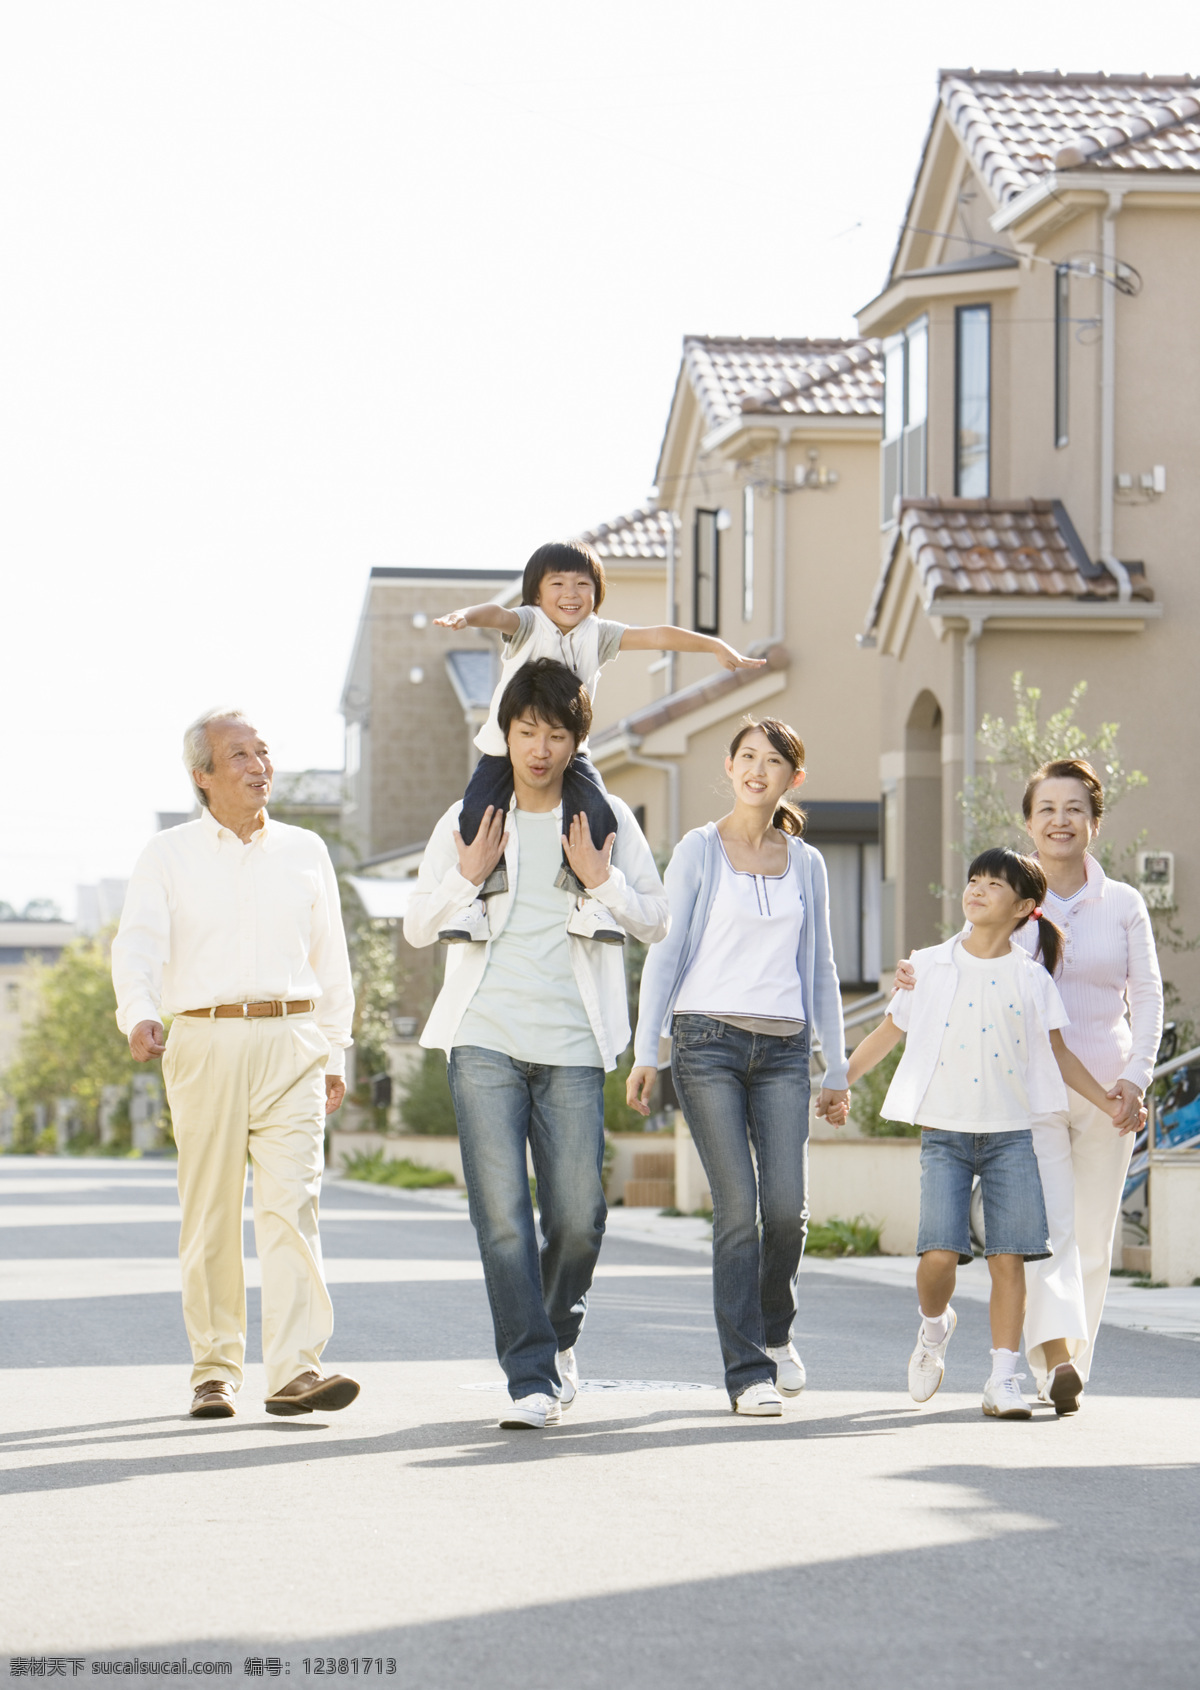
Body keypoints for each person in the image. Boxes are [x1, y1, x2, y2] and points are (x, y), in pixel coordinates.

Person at [403, 659, 669, 1430]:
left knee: (580, 1214)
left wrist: (601, 879)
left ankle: (557, 1339)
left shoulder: (604, 815)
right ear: (505, 734)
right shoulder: (468, 816)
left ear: (576, 738)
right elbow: (420, 924)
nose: (541, 748)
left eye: (557, 733)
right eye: (527, 732)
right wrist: (467, 876)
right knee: (505, 1218)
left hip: (575, 1042)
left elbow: (657, 919)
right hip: (483, 1036)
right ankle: (529, 1377)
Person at [112, 709, 359, 1421]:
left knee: (293, 1207)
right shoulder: (169, 855)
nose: (259, 766)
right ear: (204, 777)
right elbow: (136, 945)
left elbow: (330, 959)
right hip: (204, 1040)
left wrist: (334, 1048)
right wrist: (140, 1012)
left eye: (263, 752)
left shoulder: (306, 849)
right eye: (239, 755)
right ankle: (214, 1372)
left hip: (293, 1041)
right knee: (212, 1212)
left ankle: (296, 1370)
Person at [894, 759, 1161, 1415]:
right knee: (1050, 1233)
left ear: (1094, 823)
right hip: (1029, 1091)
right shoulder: (1013, 901)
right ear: (1029, 822)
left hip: (1107, 1091)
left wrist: (1133, 1079)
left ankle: (1065, 1367)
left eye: (1074, 808)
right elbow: (960, 957)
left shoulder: (1123, 903)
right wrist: (913, 977)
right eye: (1047, 808)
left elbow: (1148, 997)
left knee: (1093, 1241)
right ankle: (1052, 1359)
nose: (1060, 820)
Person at [847, 848, 1125, 1420]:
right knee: (939, 1258)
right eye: (973, 880)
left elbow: (1060, 1057)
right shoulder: (928, 965)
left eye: (994, 884)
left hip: (1011, 1137)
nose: (977, 889)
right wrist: (835, 1081)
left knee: (1009, 1260)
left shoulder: (1032, 979)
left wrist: (1110, 1101)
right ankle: (933, 1328)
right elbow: (887, 1032)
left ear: (1024, 907)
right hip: (945, 1134)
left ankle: (1004, 1379)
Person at [626, 719, 849, 1417]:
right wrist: (646, 1048)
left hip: (784, 1049)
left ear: (793, 778)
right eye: (747, 758)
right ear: (729, 767)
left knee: (787, 1211)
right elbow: (664, 951)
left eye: (773, 761)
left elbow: (821, 970)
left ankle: (775, 1328)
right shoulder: (698, 850)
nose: (758, 770)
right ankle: (746, 1371)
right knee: (739, 1211)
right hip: (706, 1043)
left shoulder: (806, 864)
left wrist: (835, 1065)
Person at [433, 538, 763, 945]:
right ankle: (475, 903)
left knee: (597, 810)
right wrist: (466, 616)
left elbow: (657, 635)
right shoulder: (529, 624)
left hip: (570, 752)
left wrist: (714, 644)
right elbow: (497, 614)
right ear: (537, 592)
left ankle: (588, 902)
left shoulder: (599, 635)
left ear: (596, 593)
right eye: (558, 584)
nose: (570, 594)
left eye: (582, 584)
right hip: (506, 748)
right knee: (478, 812)